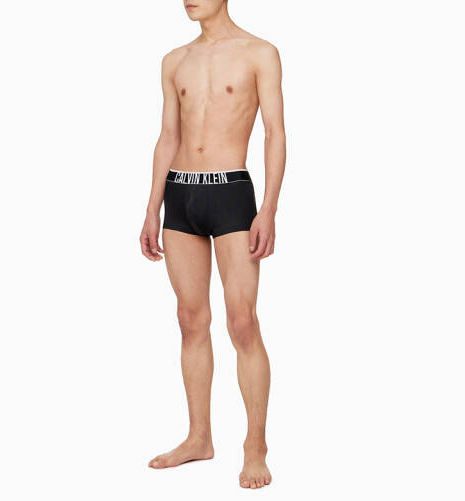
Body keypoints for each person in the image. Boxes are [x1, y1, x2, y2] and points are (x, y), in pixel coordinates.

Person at [140, 0, 286, 489]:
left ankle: (255, 445)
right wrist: (152, 207)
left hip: (231, 193)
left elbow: (275, 132)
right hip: (180, 195)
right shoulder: (174, 60)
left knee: (242, 322)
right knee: (189, 319)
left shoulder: (259, 52)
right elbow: (167, 136)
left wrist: (268, 208)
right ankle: (199, 437)